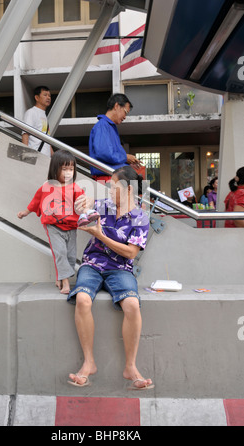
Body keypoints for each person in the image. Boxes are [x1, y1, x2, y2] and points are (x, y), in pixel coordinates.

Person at [67, 166, 154, 390]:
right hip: (92, 265)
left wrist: (99, 235)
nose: (108, 188)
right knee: (83, 299)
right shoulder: (103, 206)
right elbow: (85, 206)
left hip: (120, 269)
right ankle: (89, 363)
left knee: (133, 305)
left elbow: (130, 253)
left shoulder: (140, 217)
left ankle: (131, 367)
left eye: (113, 185)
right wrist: (81, 204)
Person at [17, 150, 98, 294]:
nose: (68, 172)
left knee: (71, 255)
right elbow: (36, 201)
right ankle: (65, 283)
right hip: (53, 226)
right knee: (60, 252)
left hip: (71, 226)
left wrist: (87, 211)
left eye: (71, 169)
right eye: (64, 169)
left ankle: (60, 277)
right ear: (55, 169)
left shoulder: (75, 187)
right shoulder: (47, 186)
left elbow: (82, 201)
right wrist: (26, 212)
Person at [89, 93, 141, 182]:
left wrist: (126, 163)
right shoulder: (102, 125)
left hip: (112, 176)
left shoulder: (110, 127)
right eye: (125, 112)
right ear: (116, 106)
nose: (125, 117)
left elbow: (111, 155)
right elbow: (104, 153)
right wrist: (125, 157)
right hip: (107, 177)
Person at [21, 85, 53, 157]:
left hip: (45, 157)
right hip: (35, 156)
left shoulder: (44, 115)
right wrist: (25, 154)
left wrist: (53, 155)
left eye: (49, 96)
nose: (48, 98)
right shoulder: (31, 112)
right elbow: (25, 134)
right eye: (45, 95)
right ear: (37, 98)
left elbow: (46, 138)